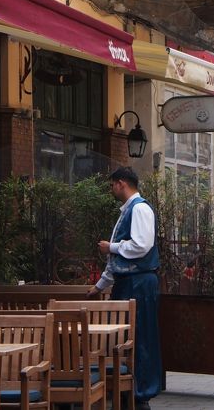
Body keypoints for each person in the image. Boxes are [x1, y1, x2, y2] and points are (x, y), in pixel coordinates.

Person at [88, 166, 161, 410]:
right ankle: (131, 391)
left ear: (121, 183)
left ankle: (141, 393)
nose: (111, 190)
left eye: (112, 185)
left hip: (138, 283)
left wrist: (113, 247)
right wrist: (100, 285)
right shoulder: (130, 210)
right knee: (128, 337)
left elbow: (141, 246)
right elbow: (117, 263)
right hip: (131, 282)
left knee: (139, 337)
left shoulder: (139, 208)